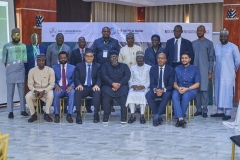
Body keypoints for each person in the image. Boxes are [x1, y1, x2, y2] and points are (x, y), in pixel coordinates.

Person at [211, 28, 240, 121]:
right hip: (218, 74)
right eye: (221, 36)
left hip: (228, 75)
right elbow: (215, 60)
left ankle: (227, 113)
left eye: (224, 36)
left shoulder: (233, 47)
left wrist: (232, 70)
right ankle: (219, 111)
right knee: (219, 92)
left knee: (228, 93)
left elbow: (237, 61)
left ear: (227, 37)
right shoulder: (216, 47)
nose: (223, 38)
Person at [92, 26, 120, 112]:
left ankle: (110, 105)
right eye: (104, 31)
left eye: (108, 31)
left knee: (109, 86)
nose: (106, 33)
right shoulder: (97, 42)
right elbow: (94, 54)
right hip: (99, 67)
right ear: (102, 32)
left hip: (111, 68)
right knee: (100, 86)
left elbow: (118, 55)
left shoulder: (115, 42)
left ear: (110, 32)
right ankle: (100, 105)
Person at [2, 28, 29, 118]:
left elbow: (25, 60)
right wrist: (10, 67)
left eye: (18, 34)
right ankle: (10, 111)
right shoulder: (6, 46)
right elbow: (4, 60)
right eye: (14, 34)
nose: (16, 36)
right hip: (10, 73)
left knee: (22, 92)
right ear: (11, 35)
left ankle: (23, 110)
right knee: (10, 93)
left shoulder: (23, 46)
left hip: (20, 71)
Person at [101, 50, 131, 124]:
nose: (114, 58)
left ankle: (123, 117)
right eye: (112, 57)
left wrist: (119, 84)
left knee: (124, 93)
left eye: (115, 57)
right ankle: (106, 116)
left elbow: (127, 76)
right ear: (109, 58)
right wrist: (112, 83)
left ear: (118, 58)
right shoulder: (105, 66)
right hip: (108, 85)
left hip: (121, 85)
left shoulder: (124, 66)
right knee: (106, 92)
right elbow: (103, 75)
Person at [145, 53, 175, 126]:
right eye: (159, 58)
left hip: (166, 90)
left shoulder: (170, 69)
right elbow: (151, 83)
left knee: (167, 95)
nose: (160, 60)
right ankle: (157, 115)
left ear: (165, 60)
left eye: (162, 58)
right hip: (156, 89)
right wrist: (156, 90)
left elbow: (171, 85)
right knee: (148, 95)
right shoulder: (153, 68)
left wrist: (163, 90)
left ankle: (156, 117)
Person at [172, 52, 200, 128]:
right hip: (179, 88)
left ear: (189, 59)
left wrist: (187, 89)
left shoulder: (195, 69)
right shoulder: (177, 68)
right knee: (174, 96)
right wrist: (178, 88)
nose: (184, 60)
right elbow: (174, 83)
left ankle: (179, 119)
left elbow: (197, 84)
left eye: (186, 58)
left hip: (190, 89)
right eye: (182, 58)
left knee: (186, 96)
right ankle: (181, 119)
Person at [192, 25, 214, 118]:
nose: (199, 32)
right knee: (196, 90)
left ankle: (205, 110)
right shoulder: (193, 43)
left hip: (205, 71)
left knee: (204, 90)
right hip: (194, 70)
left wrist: (210, 72)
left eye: (201, 30)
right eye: (198, 30)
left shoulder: (209, 43)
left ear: (205, 31)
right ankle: (198, 110)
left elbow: (211, 58)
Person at [26, 54, 55, 122]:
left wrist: (44, 91)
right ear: (37, 61)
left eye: (43, 60)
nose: (41, 62)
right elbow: (30, 84)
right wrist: (35, 91)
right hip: (35, 89)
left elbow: (52, 84)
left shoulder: (50, 70)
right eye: (39, 60)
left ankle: (47, 114)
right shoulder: (32, 71)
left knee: (51, 95)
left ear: (45, 61)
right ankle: (33, 115)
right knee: (28, 96)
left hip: (47, 89)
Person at [74, 50, 101, 124]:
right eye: (87, 56)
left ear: (93, 57)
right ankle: (78, 115)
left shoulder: (98, 66)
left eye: (91, 56)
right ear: (84, 57)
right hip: (83, 87)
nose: (89, 58)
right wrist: (79, 84)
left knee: (97, 92)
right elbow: (76, 78)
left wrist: (97, 85)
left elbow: (99, 78)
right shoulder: (79, 66)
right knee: (77, 91)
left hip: (93, 87)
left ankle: (96, 114)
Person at [126, 51, 151, 124]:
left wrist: (143, 86)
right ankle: (132, 115)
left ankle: (142, 116)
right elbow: (130, 79)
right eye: (138, 58)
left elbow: (150, 80)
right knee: (130, 94)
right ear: (136, 59)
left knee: (142, 95)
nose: (139, 60)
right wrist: (133, 86)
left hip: (145, 87)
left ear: (144, 59)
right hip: (134, 86)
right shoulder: (132, 68)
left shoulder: (149, 67)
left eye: (141, 58)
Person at [25, 33, 47, 113]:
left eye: (37, 38)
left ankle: (40, 108)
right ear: (31, 39)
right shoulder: (27, 48)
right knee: (32, 90)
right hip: (30, 72)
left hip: (41, 71)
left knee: (41, 88)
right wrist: (25, 74)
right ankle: (34, 108)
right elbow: (25, 62)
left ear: (39, 39)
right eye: (34, 38)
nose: (35, 40)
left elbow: (46, 61)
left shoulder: (44, 48)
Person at [70, 37, 92, 113]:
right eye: (80, 42)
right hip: (78, 74)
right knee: (78, 90)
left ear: (85, 42)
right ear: (78, 43)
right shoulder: (74, 52)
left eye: (83, 42)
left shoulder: (89, 51)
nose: (82, 44)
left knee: (88, 87)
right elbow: (72, 64)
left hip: (88, 73)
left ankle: (88, 108)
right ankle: (77, 108)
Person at [52, 51, 75, 123]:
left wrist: (72, 86)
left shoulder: (73, 67)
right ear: (59, 58)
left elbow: (76, 79)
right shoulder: (54, 67)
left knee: (73, 93)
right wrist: (56, 86)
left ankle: (69, 114)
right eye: (61, 58)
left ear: (67, 58)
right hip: (59, 87)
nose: (63, 59)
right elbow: (52, 80)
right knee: (55, 93)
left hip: (69, 87)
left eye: (64, 58)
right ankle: (56, 114)